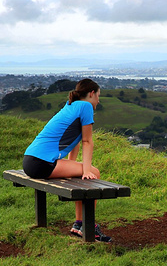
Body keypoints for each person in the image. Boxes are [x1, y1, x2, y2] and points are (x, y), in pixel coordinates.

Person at [22, 78, 111, 242]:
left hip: (31, 161)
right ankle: (87, 226)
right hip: (42, 163)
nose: (98, 101)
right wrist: (85, 171)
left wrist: (76, 169)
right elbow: (87, 141)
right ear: (91, 94)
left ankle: (79, 224)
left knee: (85, 174)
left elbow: (74, 141)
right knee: (94, 172)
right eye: (98, 96)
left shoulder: (71, 105)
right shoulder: (85, 106)